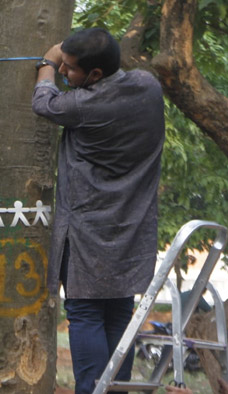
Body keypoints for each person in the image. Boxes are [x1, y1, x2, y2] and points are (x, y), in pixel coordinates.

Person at [32, 28, 165, 394]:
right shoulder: (148, 87)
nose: (64, 73)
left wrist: (46, 62)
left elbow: (44, 102)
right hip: (131, 226)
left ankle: (91, 389)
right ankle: (115, 389)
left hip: (89, 229)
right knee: (119, 309)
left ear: (94, 75)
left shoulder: (82, 105)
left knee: (86, 312)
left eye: (71, 69)